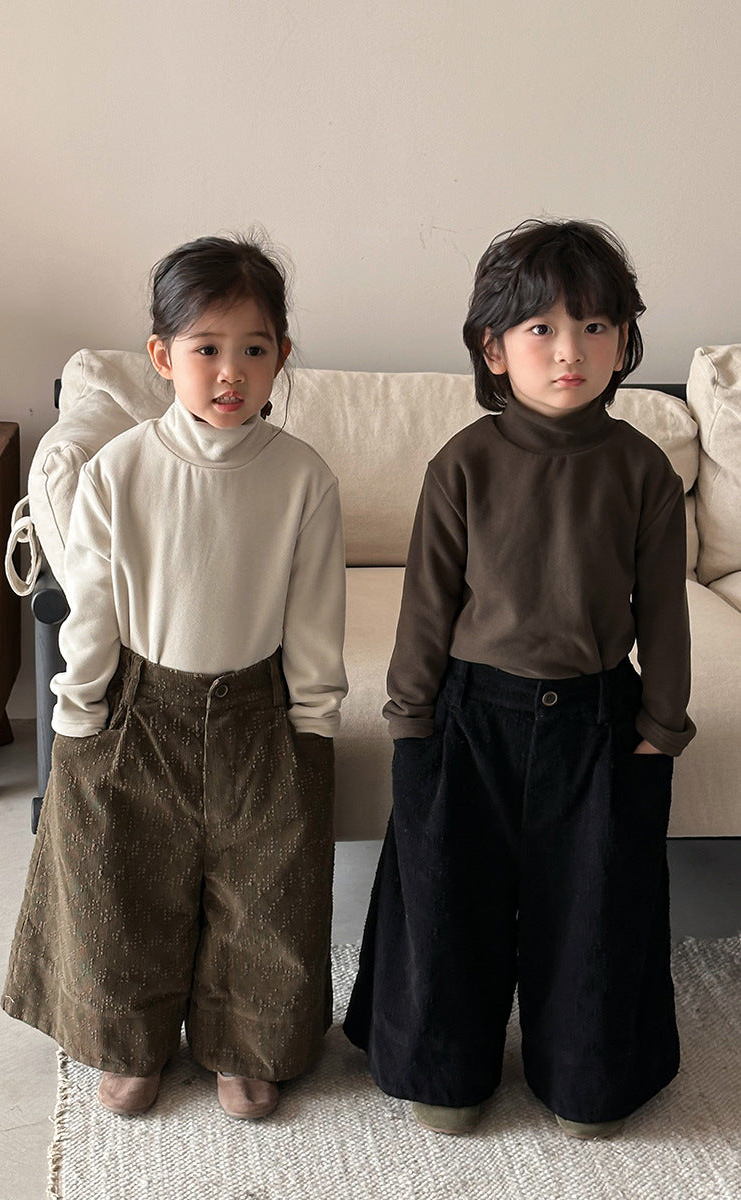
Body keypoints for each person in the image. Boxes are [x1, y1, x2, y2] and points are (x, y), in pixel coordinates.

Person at [343, 218, 695, 1141]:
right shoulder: (463, 463)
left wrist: (661, 728)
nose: (569, 350)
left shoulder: (643, 469)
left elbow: (665, 610)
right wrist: (411, 722)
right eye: (541, 328)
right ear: (493, 348)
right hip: (470, 719)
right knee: (446, 901)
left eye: (594, 326)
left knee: (595, 912)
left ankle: (588, 1076)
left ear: (624, 340)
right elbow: (426, 604)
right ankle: (442, 1069)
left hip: (597, 722)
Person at [3, 234, 347, 1122]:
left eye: (255, 349)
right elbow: (92, 607)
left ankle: (248, 1043)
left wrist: (313, 728)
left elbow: (314, 619)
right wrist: (78, 716)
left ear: (281, 357)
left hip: (259, 714)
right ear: (162, 357)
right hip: (139, 708)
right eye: (207, 348)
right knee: (121, 884)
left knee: (264, 896)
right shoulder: (120, 470)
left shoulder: (302, 478)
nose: (231, 371)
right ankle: (131, 1041)